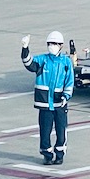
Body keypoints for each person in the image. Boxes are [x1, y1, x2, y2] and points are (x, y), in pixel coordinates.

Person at [21, 31, 74, 165]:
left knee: (61, 130)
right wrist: (25, 48)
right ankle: (47, 155)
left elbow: (70, 81)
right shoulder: (42, 60)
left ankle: (60, 154)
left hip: (59, 103)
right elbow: (29, 64)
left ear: (61, 45)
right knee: (45, 131)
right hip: (44, 104)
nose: (52, 46)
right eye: (50, 43)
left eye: (55, 43)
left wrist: (65, 97)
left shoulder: (66, 62)